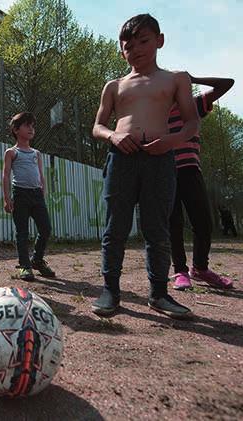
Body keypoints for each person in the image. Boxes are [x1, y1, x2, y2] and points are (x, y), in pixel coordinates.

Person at [91, 14, 200, 319]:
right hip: (121, 158)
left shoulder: (176, 78)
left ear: (159, 41)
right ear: (120, 49)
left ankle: (159, 294)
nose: (136, 49)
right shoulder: (114, 85)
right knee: (115, 227)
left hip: (159, 158)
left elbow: (192, 123)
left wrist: (171, 141)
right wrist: (113, 135)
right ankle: (110, 291)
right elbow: (98, 126)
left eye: (143, 41)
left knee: (157, 228)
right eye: (128, 44)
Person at [169, 75, 235, 290]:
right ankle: (179, 270)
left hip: (190, 170)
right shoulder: (155, 112)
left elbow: (227, 84)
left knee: (203, 221)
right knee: (173, 223)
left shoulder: (194, 105)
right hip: (165, 172)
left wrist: (194, 78)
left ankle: (200, 268)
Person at [2, 112, 55, 281]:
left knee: (46, 228)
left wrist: (43, 192)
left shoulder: (36, 153)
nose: (31, 129)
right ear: (16, 130)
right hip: (20, 195)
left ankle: (37, 260)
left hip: (37, 195)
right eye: (27, 125)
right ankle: (25, 266)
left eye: (33, 126)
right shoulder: (11, 152)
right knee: (22, 232)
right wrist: (7, 198)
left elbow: (41, 174)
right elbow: (5, 175)